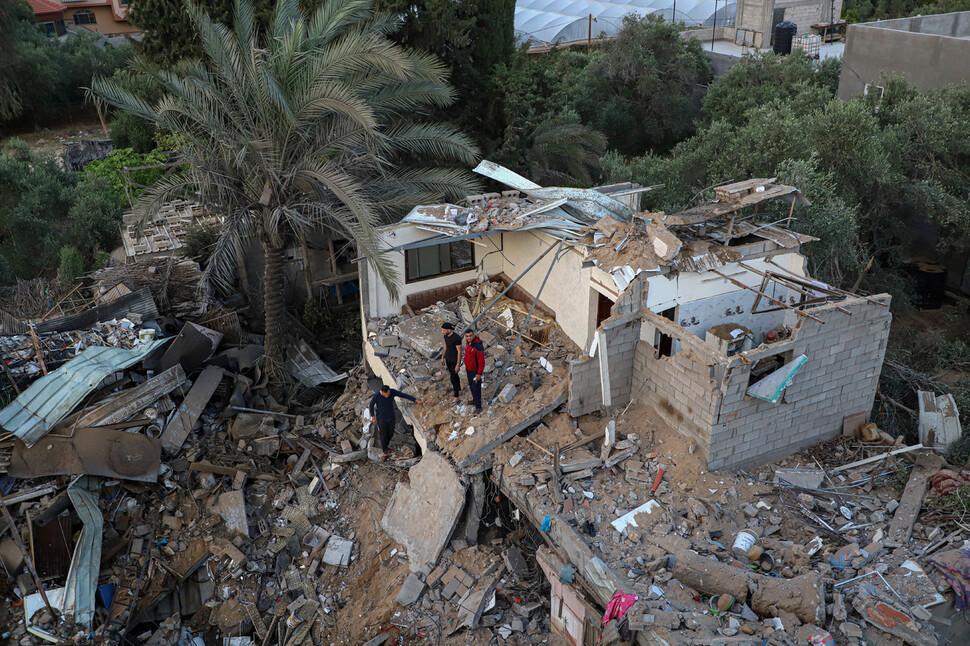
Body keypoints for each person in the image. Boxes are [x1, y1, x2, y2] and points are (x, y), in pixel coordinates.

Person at [368, 385, 422, 462]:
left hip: (391, 417)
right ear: (383, 392)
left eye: (389, 393)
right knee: (383, 435)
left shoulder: (392, 392)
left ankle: (386, 446)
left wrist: (415, 400)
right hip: (381, 419)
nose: (388, 395)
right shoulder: (377, 395)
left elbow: (402, 395)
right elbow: (371, 405)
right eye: (387, 394)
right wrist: (373, 416)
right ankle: (385, 452)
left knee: (390, 433)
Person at [462, 329, 485, 412]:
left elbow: (481, 362)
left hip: (475, 371)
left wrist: (479, 373)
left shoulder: (478, 346)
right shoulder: (469, 343)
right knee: (472, 386)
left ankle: (478, 407)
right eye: (467, 336)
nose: (469, 337)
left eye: (470, 335)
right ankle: (474, 401)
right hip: (469, 370)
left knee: (476, 388)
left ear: (474, 335)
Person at [440, 322, 462, 404]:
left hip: (454, 360)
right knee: (454, 376)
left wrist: (458, 364)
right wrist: (442, 357)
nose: (443, 332)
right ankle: (459, 390)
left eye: (444, 330)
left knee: (453, 378)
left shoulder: (456, 338)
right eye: (442, 330)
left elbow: (459, 352)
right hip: (448, 359)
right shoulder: (445, 336)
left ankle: (456, 397)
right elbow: (445, 346)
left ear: (449, 330)